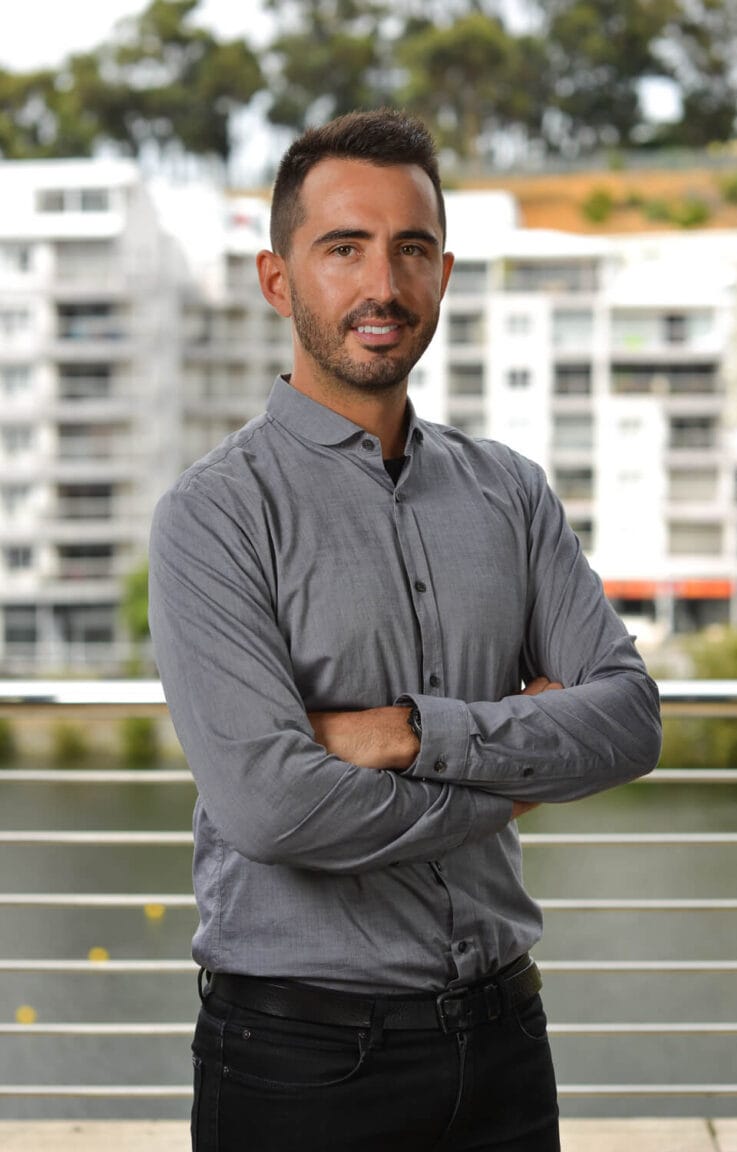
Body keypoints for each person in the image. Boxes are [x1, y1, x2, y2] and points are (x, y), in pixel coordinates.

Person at [148, 108, 662, 1152]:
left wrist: (409, 734)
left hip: (506, 1037)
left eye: (410, 250)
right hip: (300, 1064)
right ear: (278, 280)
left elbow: (629, 719)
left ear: (443, 273)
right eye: (344, 248)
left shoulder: (511, 493)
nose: (382, 284)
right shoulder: (214, 514)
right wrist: (514, 774)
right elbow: (274, 810)